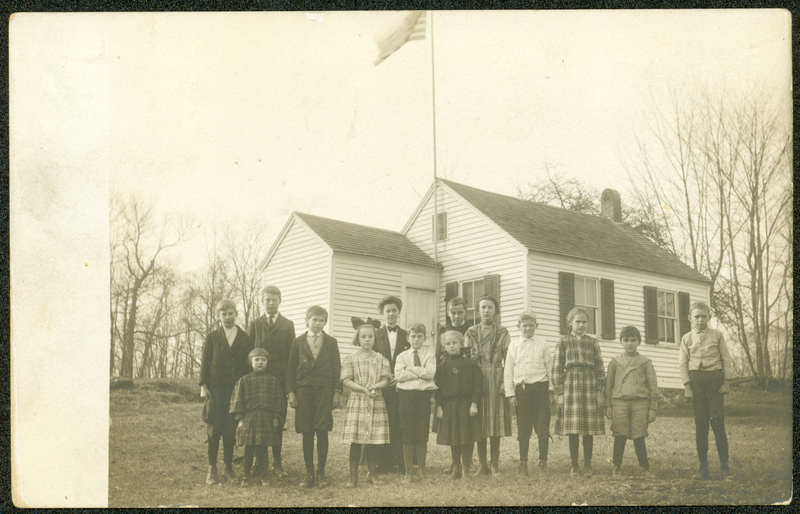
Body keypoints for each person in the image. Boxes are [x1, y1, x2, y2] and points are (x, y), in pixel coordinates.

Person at [286, 305, 342, 488]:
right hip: (304, 390)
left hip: (324, 390)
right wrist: (291, 392)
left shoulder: (332, 342)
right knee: (307, 431)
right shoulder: (298, 342)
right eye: (314, 319)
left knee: (322, 429)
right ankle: (309, 473)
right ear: (306, 320)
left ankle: (321, 472)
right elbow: (290, 369)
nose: (318, 323)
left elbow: (336, 368)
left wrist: (336, 392)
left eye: (321, 320)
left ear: (325, 322)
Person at [199, 299, 254, 485]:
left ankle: (228, 468)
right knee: (214, 431)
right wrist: (203, 385)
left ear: (236, 314)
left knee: (231, 431)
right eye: (223, 314)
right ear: (219, 316)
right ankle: (212, 468)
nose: (227, 317)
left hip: (236, 390)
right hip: (215, 390)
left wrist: (245, 389)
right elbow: (205, 362)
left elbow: (248, 366)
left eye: (230, 313)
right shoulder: (212, 337)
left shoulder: (245, 338)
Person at [678, 301, 734, 481]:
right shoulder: (686, 338)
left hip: (714, 381)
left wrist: (726, 381)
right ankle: (703, 468)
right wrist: (687, 385)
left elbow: (726, 358)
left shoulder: (717, 335)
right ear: (690, 318)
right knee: (701, 425)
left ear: (709, 318)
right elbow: (682, 363)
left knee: (717, 422)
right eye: (696, 317)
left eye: (703, 316)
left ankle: (725, 466)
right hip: (696, 382)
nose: (700, 320)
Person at [246, 285, 295, 478]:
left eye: (275, 299)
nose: (271, 303)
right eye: (267, 300)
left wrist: (289, 385)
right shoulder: (255, 323)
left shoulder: (287, 325)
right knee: (258, 420)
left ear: (280, 301)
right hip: (258, 382)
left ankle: (277, 462)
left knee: (277, 421)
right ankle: (258, 461)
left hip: (279, 381)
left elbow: (292, 357)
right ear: (262, 301)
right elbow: (249, 353)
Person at [552, 307, 606, 477]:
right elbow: (556, 369)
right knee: (574, 427)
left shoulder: (592, 342)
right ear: (570, 323)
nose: (581, 325)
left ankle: (588, 464)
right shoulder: (563, 342)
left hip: (589, 384)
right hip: (571, 384)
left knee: (588, 427)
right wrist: (560, 393)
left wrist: (599, 390)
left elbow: (600, 367)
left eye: (584, 322)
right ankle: (574, 464)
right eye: (578, 322)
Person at [341, 317, 392, 487]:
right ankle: (353, 476)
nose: (367, 340)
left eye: (370, 336)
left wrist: (376, 386)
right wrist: (362, 389)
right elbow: (346, 381)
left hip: (376, 400)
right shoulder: (351, 359)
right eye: (364, 337)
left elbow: (386, 379)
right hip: (358, 401)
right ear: (358, 338)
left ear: (375, 338)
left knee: (373, 441)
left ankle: (372, 473)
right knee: (355, 440)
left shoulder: (381, 359)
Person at [465, 294, 512, 476]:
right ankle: (482, 464)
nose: (486, 311)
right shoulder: (470, 332)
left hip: (497, 376)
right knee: (480, 422)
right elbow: (466, 359)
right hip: (477, 378)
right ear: (478, 310)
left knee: (495, 422)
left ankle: (495, 464)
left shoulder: (502, 332)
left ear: (496, 311)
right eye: (483, 307)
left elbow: (509, 359)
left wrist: (505, 383)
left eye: (490, 307)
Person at [604, 326, 658, 478]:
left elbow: (653, 386)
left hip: (640, 404)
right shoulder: (615, 362)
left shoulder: (645, 362)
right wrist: (607, 404)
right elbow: (608, 385)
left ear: (639, 342)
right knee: (619, 435)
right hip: (619, 403)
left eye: (633, 340)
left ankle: (645, 467)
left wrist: (652, 408)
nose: (629, 343)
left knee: (639, 436)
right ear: (621, 342)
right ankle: (616, 467)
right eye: (626, 340)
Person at [504, 311, 554, 475]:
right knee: (523, 427)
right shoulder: (513, 345)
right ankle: (523, 462)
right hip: (522, 390)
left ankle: (543, 462)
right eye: (524, 326)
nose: (527, 329)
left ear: (536, 326)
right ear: (518, 327)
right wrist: (510, 393)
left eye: (531, 325)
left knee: (542, 426)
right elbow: (508, 370)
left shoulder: (542, 344)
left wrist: (551, 390)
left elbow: (550, 368)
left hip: (540, 388)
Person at [230, 348, 285, 487]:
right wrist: (240, 419)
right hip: (249, 418)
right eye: (257, 360)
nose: (260, 362)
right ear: (251, 362)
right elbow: (238, 401)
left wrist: (276, 418)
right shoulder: (244, 380)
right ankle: (246, 477)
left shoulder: (273, 381)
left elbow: (279, 401)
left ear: (267, 362)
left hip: (266, 418)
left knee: (263, 449)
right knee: (249, 448)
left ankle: (264, 476)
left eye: (263, 360)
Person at [435, 331, 483, 480]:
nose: (451, 346)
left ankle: (466, 469)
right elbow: (437, 388)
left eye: (454, 343)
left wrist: (474, 403)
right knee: (454, 437)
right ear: (444, 347)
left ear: (462, 345)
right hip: (449, 405)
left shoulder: (470, 364)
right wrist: (439, 406)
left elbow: (478, 386)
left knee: (466, 437)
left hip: (466, 404)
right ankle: (456, 468)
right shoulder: (441, 366)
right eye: (448, 344)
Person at [434, 296, 474, 474]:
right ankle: (454, 463)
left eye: (460, 313)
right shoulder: (444, 331)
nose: (456, 316)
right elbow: (438, 355)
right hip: (447, 378)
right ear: (448, 313)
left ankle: (468, 462)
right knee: (452, 426)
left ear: (465, 313)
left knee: (466, 426)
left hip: (464, 379)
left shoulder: (470, 330)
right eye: (453, 313)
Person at [394, 323, 437, 482]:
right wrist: (420, 372)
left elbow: (430, 373)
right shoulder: (402, 356)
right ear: (408, 338)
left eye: (420, 336)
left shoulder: (429, 354)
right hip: (406, 396)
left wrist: (411, 369)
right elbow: (398, 375)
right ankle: (408, 471)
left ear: (424, 338)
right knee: (407, 433)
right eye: (413, 336)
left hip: (423, 396)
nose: (416, 339)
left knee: (421, 432)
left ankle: (421, 470)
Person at [374, 295, 410, 474]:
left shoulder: (406, 335)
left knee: (398, 421)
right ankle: (382, 462)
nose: (390, 314)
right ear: (383, 313)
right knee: (382, 421)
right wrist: (384, 377)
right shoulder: (375, 334)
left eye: (394, 310)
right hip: (382, 384)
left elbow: (411, 359)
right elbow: (372, 358)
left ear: (399, 312)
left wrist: (399, 376)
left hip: (400, 384)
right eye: (387, 311)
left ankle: (400, 460)